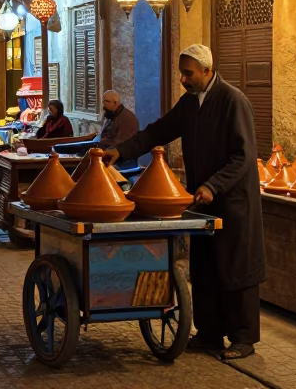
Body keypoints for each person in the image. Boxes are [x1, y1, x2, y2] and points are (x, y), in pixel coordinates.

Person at [104, 44, 264, 360]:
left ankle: (244, 339)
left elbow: (244, 156)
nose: (183, 79)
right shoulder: (190, 103)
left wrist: (214, 186)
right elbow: (158, 131)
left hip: (233, 202)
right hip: (201, 200)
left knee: (236, 270)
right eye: (181, 72)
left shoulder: (233, 102)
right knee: (204, 268)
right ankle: (209, 334)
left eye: (188, 73)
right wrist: (121, 151)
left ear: (207, 71)